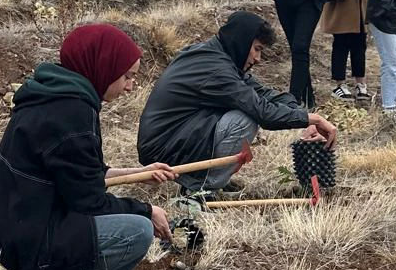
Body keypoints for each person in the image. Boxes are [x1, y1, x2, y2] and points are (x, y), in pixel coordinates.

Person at [0, 24, 174, 270]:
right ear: (103, 66)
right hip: (26, 243)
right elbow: (90, 202)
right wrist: (147, 210)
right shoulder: (71, 113)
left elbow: (81, 174)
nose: (131, 86)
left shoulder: (54, 94)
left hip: (13, 231)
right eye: (127, 76)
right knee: (137, 231)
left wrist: (137, 173)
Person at [137, 12, 337, 195]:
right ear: (242, 41)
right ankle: (201, 190)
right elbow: (262, 112)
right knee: (244, 118)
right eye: (257, 49)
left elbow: (264, 94)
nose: (258, 59)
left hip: (176, 136)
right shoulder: (216, 69)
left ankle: (211, 178)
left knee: (244, 108)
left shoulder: (219, 57)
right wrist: (313, 118)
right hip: (162, 148)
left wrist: (305, 118)